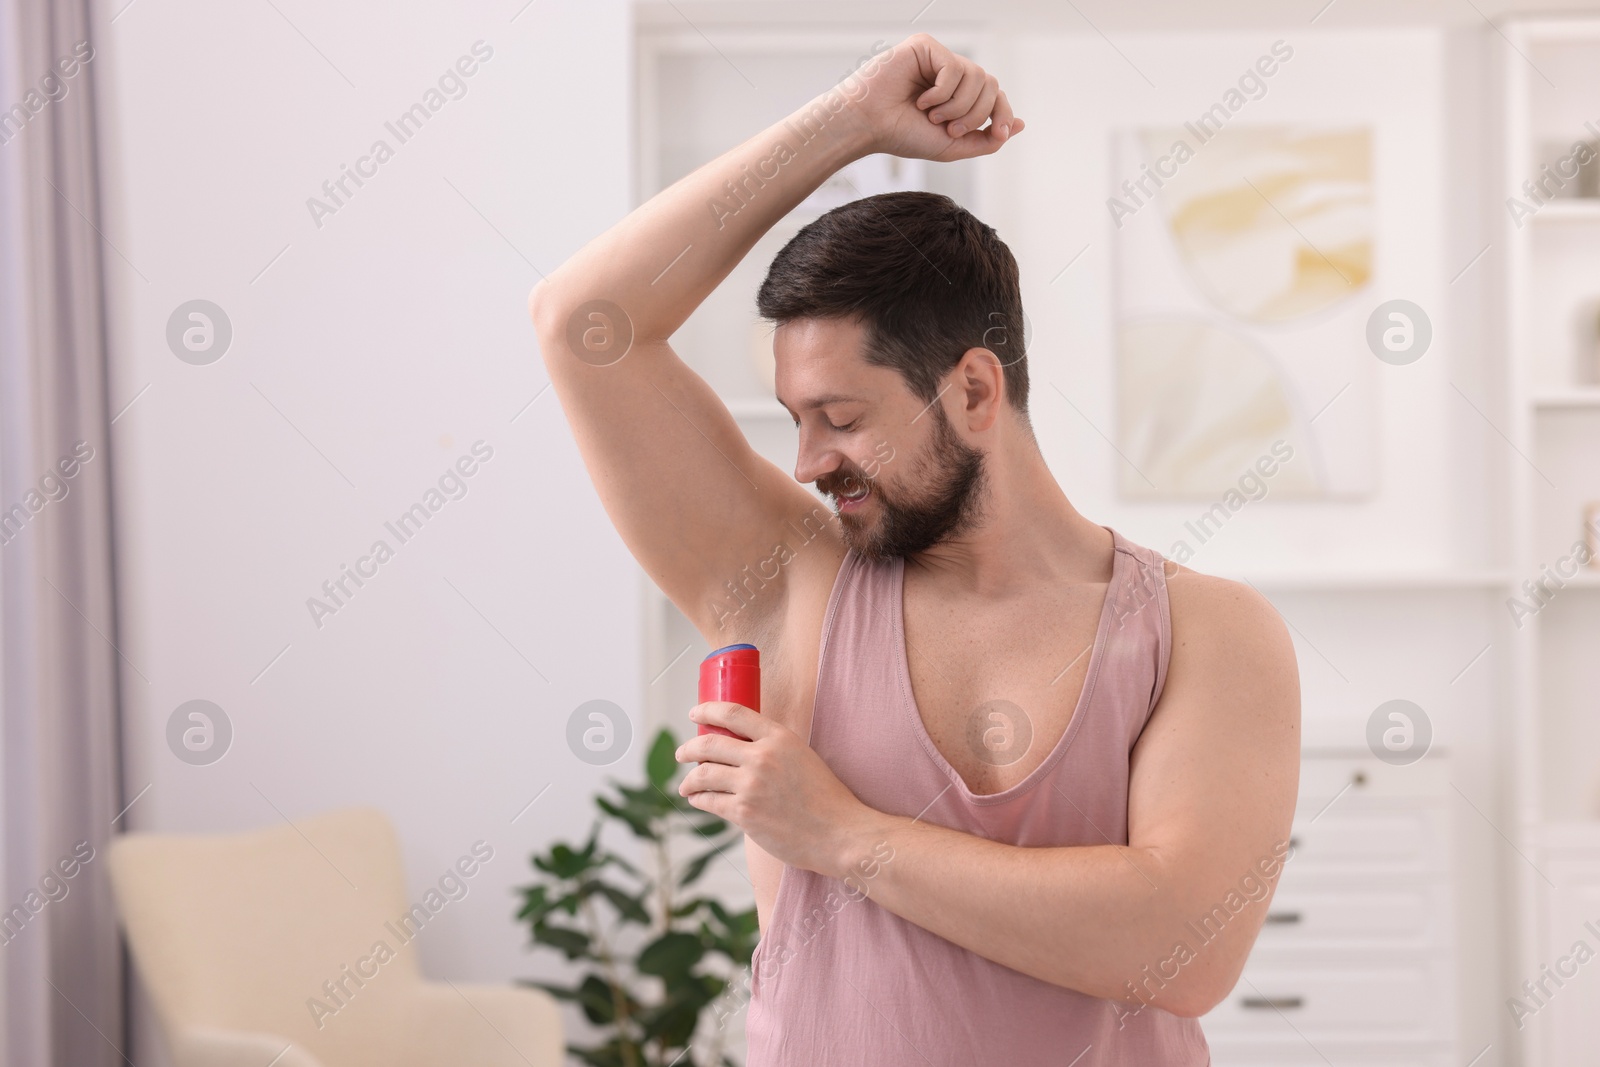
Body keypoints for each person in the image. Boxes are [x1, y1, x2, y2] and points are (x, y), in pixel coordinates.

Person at [529, 31, 1300, 1065]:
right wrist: (847, 120)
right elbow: (585, 322)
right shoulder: (788, 581)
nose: (806, 461)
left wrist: (840, 834)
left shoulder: (1208, 630)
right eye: (792, 418)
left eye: (840, 416)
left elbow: (1181, 945)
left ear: (973, 390)